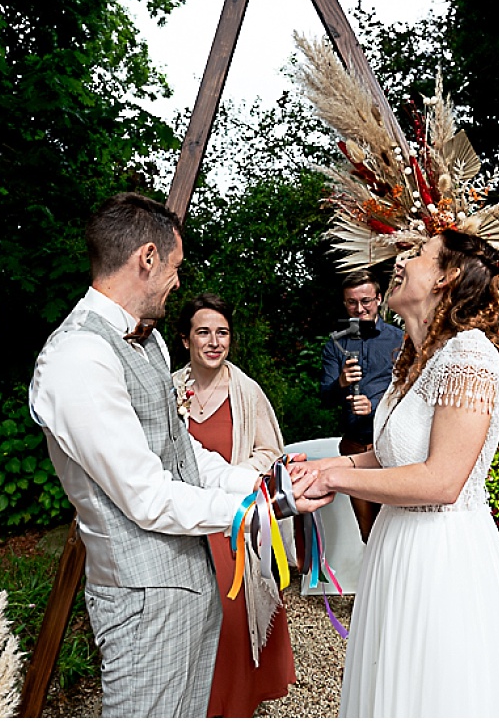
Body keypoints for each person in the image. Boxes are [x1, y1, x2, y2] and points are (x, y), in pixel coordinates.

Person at [28, 192, 331, 718]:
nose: (177, 281)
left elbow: (181, 450)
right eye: (175, 266)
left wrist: (266, 485)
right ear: (147, 258)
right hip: (142, 599)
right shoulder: (78, 356)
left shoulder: (148, 344)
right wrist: (264, 509)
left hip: (193, 582)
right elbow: (145, 496)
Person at [303, 229, 499, 718]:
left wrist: (337, 481)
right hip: (396, 545)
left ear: (448, 277)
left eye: (418, 254)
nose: (401, 262)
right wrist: (324, 466)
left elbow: (442, 481)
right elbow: (392, 457)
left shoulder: (470, 355)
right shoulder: (417, 359)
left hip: (441, 556)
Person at [170, 293, 296, 718]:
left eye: (221, 333)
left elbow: (270, 450)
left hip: (235, 521)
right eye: (203, 332)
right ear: (185, 338)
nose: (213, 341)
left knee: (230, 608)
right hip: (182, 521)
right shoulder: (168, 391)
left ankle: (235, 704)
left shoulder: (246, 391)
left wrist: (235, 475)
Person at [319, 270, 404, 542]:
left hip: (392, 447)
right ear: (345, 304)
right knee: (368, 532)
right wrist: (341, 382)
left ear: (379, 299)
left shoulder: (400, 339)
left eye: (366, 301)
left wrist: (376, 406)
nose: (360, 308)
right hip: (354, 447)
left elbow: (410, 392)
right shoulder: (336, 343)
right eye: (352, 302)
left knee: (398, 529)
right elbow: (325, 399)